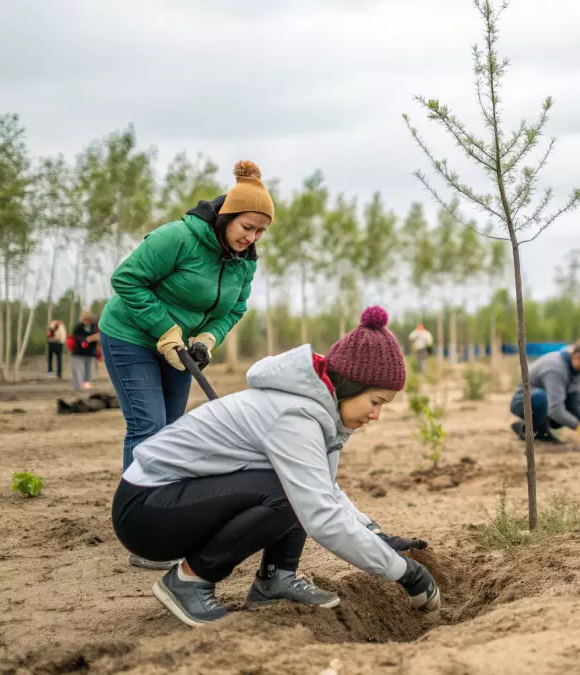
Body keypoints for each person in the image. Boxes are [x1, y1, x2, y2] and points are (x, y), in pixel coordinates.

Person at [111, 306, 439, 627]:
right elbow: (321, 513)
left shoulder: (320, 415)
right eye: (376, 402)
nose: (376, 415)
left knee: (295, 487)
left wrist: (378, 536)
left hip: (172, 501)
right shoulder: (294, 417)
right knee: (288, 491)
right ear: (351, 386)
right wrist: (405, 573)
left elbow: (324, 487)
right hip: (146, 511)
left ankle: (275, 578)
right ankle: (189, 580)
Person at [99, 160, 271, 570]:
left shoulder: (244, 262)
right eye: (247, 226)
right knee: (148, 427)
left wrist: (208, 338)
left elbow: (236, 307)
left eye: (261, 230)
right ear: (227, 216)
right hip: (130, 336)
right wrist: (164, 328)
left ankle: (168, 515)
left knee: (172, 433)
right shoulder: (179, 237)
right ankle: (142, 532)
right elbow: (126, 278)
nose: (252, 237)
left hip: (178, 348)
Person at [509, 338, 580, 448]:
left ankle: (525, 428)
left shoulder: (574, 370)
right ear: (578, 357)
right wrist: (579, 426)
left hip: (545, 402)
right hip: (523, 401)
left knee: (568, 402)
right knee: (542, 399)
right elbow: (555, 410)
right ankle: (541, 434)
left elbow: (578, 399)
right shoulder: (555, 369)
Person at [70, 313, 100, 391]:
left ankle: (86, 384)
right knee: (78, 371)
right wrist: (87, 339)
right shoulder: (79, 327)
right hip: (78, 353)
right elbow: (76, 337)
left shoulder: (95, 327)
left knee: (89, 370)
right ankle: (78, 387)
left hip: (91, 353)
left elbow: (98, 337)